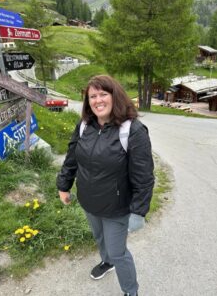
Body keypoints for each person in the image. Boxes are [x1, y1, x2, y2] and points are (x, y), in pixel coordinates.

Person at [56, 75, 154, 296]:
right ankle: (106, 262)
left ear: (114, 96)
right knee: (100, 239)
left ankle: (131, 291)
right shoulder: (84, 126)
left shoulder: (133, 130)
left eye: (103, 94)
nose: (97, 100)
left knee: (118, 251)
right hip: (89, 201)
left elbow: (144, 177)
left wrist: (138, 211)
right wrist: (64, 186)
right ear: (87, 101)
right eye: (92, 96)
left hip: (117, 208)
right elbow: (72, 159)